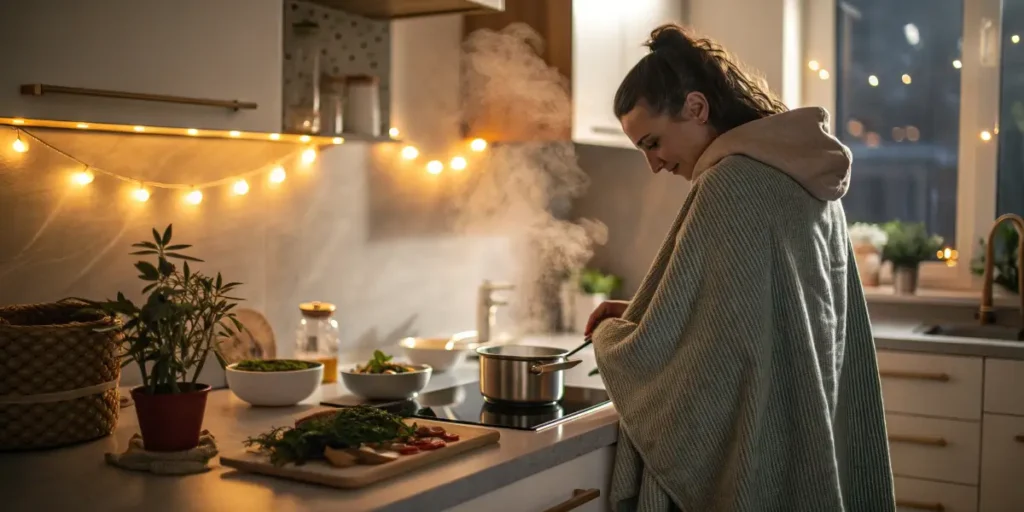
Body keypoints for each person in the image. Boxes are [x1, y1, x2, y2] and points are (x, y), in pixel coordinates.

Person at [583, 24, 896, 511]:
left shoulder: (729, 184)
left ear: (697, 108)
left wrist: (614, 338)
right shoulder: (806, 175)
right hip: (809, 421)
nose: (653, 163)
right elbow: (754, 310)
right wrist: (654, 311)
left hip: (767, 439)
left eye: (652, 142)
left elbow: (701, 360)